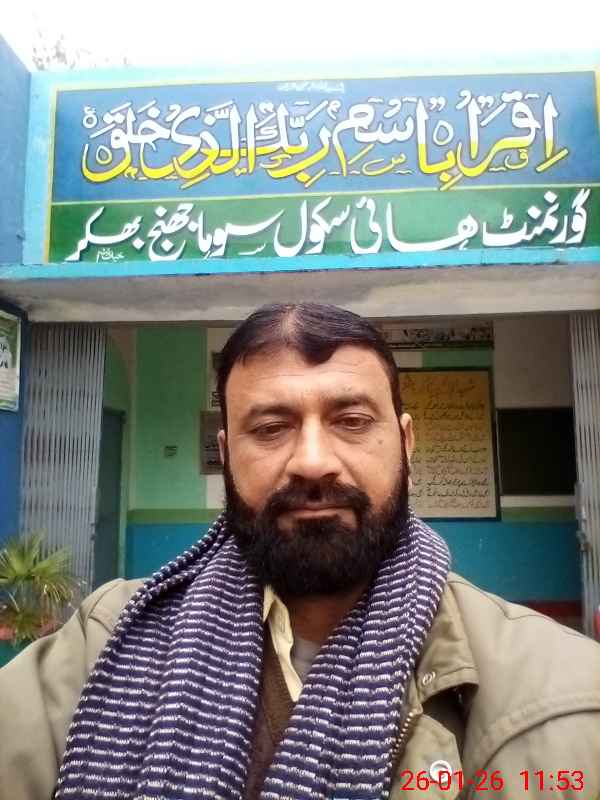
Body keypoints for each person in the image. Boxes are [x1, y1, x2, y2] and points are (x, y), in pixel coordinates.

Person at [1, 302, 600, 800]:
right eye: (270, 428)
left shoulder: (562, 697)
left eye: (352, 421)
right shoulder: (104, 644)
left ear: (406, 443)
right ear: (226, 454)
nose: (313, 461)